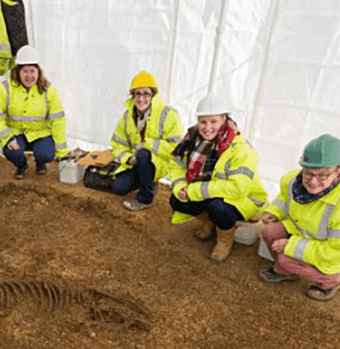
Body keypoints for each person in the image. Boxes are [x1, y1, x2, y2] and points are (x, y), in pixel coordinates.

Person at [258, 134, 340, 301]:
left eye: (323, 175)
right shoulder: (294, 179)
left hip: (339, 252)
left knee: (285, 258)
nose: (313, 182)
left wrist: (291, 246)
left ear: (339, 170)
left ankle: (333, 280)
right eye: (308, 173)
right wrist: (275, 211)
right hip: (308, 234)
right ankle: (286, 271)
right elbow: (285, 198)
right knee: (270, 232)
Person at [168, 93, 268, 262]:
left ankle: (224, 240)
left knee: (219, 208)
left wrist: (194, 190)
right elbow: (176, 166)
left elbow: (238, 188)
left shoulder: (242, 149)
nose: (207, 127)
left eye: (213, 121)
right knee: (176, 200)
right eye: (203, 122)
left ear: (224, 120)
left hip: (242, 199)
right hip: (208, 192)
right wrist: (181, 187)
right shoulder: (192, 139)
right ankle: (211, 222)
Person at [0, 45, 68, 179]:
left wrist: (62, 151)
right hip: (15, 133)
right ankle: (21, 165)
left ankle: (41, 163)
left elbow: (58, 120)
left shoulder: (48, 90)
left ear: (38, 72)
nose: (29, 76)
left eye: (32, 71)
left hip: (40, 134)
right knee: (12, 151)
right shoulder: (5, 89)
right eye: (25, 71)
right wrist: (7, 138)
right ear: (17, 71)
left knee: (46, 154)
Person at [110, 71, 183, 212]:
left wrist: (148, 145)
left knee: (144, 153)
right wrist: (128, 158)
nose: (141, 98)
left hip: (159, 162)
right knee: (119, 188)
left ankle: (145, 198)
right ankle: (147, 182)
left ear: (153, 95)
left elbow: (176, 148)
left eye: (146, 93)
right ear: (133, 96)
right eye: (138, 94)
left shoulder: (168, 115)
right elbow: (117, 143)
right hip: (136, 163)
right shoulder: (127, 117)